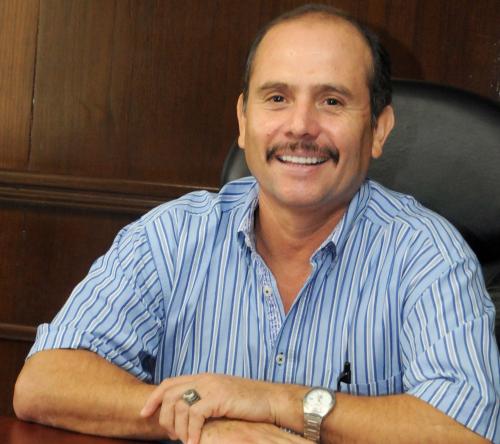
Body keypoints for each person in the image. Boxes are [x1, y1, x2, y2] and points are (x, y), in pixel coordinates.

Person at [13, 4, 499, 444]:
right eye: (277, 98)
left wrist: (275, 403)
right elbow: (43, 382)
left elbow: (467, 430)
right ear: (244, 121)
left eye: (332, 101)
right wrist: (206, 421)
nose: (301, 126)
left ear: (379, 129)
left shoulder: (427, 254)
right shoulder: (170, 236)